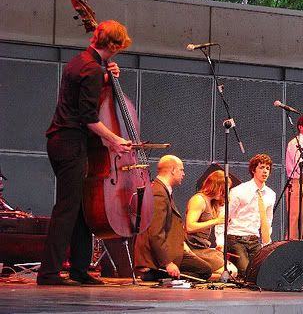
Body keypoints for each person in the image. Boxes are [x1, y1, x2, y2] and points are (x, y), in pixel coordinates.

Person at [37, 20, 133, 286]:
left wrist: (106, 77)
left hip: (61, 140)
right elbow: (90, 118)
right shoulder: (91, 69)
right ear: (113, 46)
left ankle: (79, 268)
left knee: (79, 207)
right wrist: (115, 140)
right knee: (67, 208)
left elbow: (86, 90)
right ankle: (48, 273)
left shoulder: (79, 62)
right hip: (70, 142)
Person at [134, 155, 211, 282]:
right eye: (181, 170)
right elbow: (155, 232)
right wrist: (167, 263)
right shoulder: (158, 192)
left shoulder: (162, 190)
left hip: (171, 250)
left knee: (204, 269)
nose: (184, 174)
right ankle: (155, 274)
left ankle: (159, 275)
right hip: (159, 256)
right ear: (172, 170)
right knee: (204, 271)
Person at [215, 154, 276, 276]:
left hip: (254, 240)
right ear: (254, 170)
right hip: (236, 239)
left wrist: (266, 244)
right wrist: (221, 242)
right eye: (261, 167)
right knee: (246, 271)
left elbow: (267, 222)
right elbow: (223, 218)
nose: (265, 171)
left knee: (263, 271)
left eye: (267, 168)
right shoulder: (239, 191)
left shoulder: (270, 194)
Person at [185, 170, 237, 277]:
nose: (224, 192)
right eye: (223, 189)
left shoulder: (212, 203)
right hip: (193, 247)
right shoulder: (199, 200)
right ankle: (194, 274)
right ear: (215, 186)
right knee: (229, 272)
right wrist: (215, 221)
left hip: (203, 247)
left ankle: (202, 274)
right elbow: (189, 227)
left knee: (232, 270)